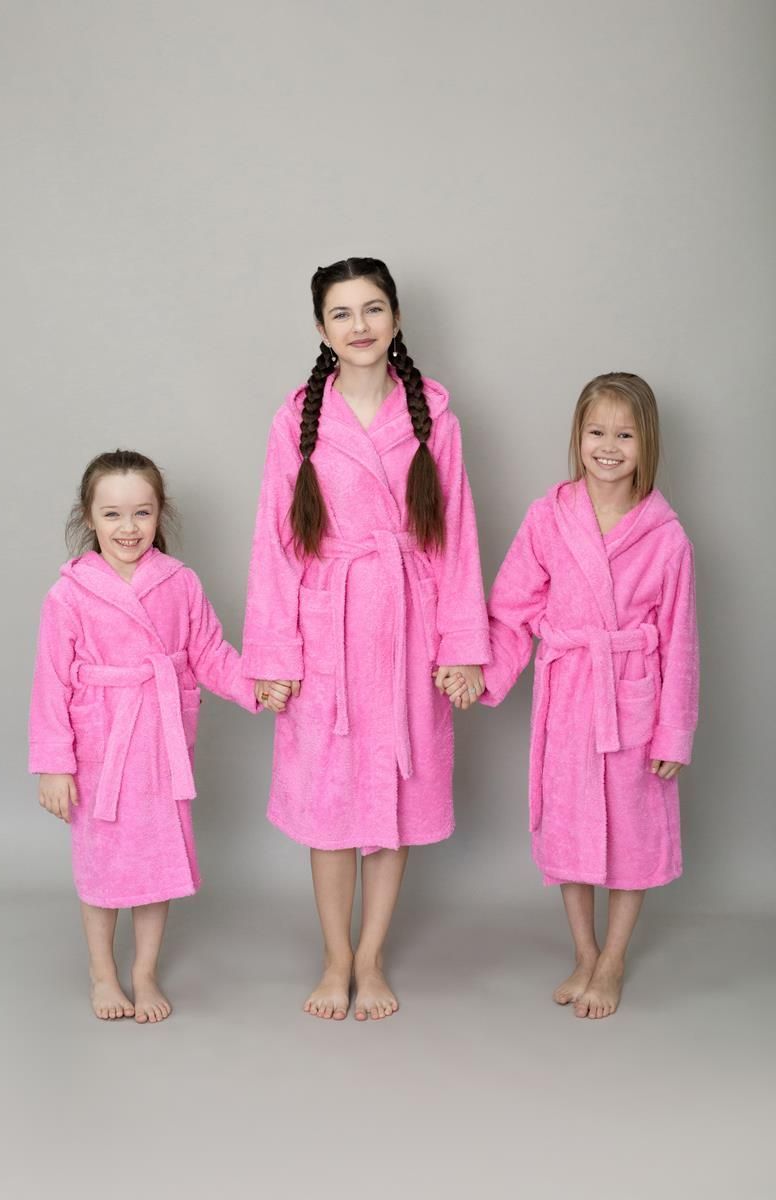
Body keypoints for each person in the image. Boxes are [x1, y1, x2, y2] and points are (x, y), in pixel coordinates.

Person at [242, 257, 489, 1021]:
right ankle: (335, 958)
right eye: (342, 313)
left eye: (374, 308)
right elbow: (274, 544)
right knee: (329, 802)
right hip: (328, 632)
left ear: (397, 318)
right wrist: (274, 656)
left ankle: (372, 957)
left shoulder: (434, 419)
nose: (360, 325)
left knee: (392, 796)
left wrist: (461, 648)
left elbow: (455, 538)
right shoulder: (296, 421)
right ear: (321, 329)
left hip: (408, 629)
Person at [465, 373, 698, 1018]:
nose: (608, 447)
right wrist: (481, 674)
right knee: (568, 825)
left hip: (631, 696)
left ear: (647, 443)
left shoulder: (666, 536)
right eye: (597, 432)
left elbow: (681, 641)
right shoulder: (549, 516)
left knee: (632, 831)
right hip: (568, 695)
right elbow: (512, 607)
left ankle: (614, 960)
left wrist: (674, 731)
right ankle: (585, 952)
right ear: (578, 436)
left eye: (625, 435)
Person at [30, 450, 255, 1022]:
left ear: (160, 513)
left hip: (160, 743)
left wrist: (259, 687)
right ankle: (102, 973)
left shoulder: (180, 582)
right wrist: (54, 765)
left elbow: (210, 653)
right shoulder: (69, 594)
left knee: (159, 860)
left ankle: (145, 971)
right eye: (112, 514)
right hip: (100, 747)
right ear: (89, 517)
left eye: (141, 512)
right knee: (101, 863)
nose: (128, 528)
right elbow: (51, 684)